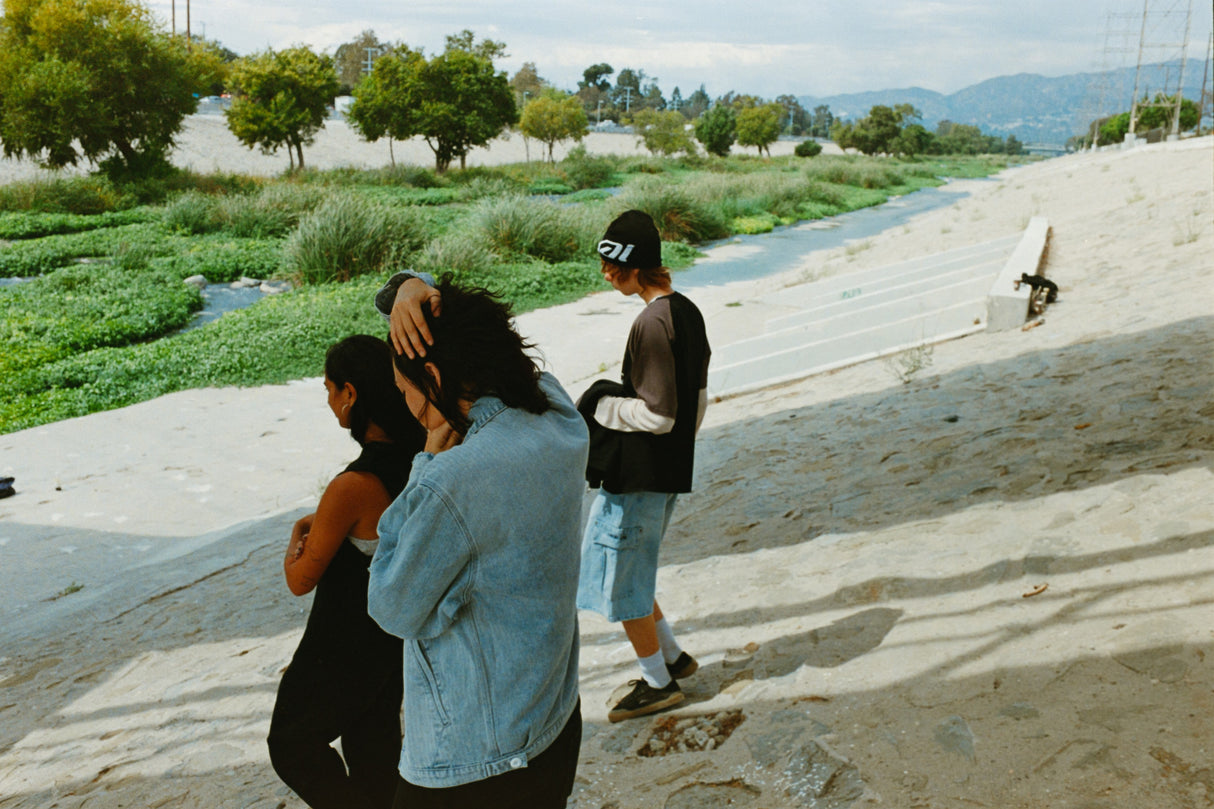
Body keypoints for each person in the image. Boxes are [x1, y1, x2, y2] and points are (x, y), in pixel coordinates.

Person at [367, 275, 589, 808]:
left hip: (472, 760)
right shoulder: (557, 412)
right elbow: (491, 340)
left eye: (407, 394)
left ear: (435, 376)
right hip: (552, 720)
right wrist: (410, 287)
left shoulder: (455, 481)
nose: (410, 408)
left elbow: (392, 607)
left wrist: (426, 462)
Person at [268, 334, 426, 809]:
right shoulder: (422, 456)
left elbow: (299, 581)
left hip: (340, 645)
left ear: (351, 394)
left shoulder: (353, 485)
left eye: (329, 389)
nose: (329, 400)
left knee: (292, 745)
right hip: (391, 639)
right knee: (373, 748)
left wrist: (301, 535)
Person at [576, 209, 711, 723]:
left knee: (622, 581)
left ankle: (658, 684)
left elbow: (657, 413)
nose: (606, 274)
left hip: (640, 476)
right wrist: (680, 446)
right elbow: (696, 402)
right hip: (667, 471)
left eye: (613, 265)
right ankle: (673, 658)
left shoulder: (651, 323)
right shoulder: (687, 310)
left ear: (634, 265)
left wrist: (598, 406)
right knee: (635, 570)